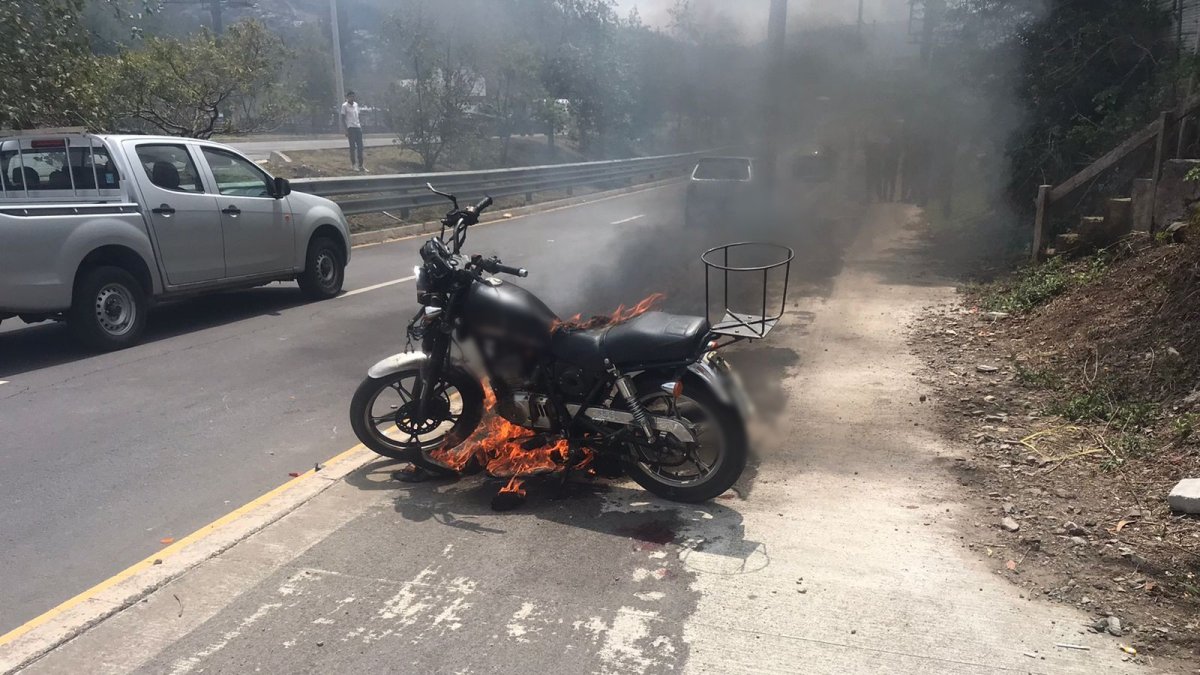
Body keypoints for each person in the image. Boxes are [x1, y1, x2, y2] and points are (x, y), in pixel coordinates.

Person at [341, 90, 365, 172]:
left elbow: (358, 115)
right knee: (352, 147)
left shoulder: (356, 105)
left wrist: (360, 125)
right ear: (347, 97)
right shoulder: (344, 106)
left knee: (360, 147)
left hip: (357, 127)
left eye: (353, 96)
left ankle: (361, 165)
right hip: (350, 128)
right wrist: (345, 130)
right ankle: (354, 165)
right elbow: (342, 118)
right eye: (350, 96)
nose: (352, 98)